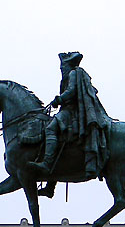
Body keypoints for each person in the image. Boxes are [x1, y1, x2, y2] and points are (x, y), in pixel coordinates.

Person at [27, 51, 111, 181]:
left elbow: (71, 91)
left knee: (50, 128)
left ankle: (46, 163)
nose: (61, 69)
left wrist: (59, 99)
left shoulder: (72, 73)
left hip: (71, 111)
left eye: (62, 66)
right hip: (68, 110)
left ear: (67, 65)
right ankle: (51, 184)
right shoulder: (75, 75)